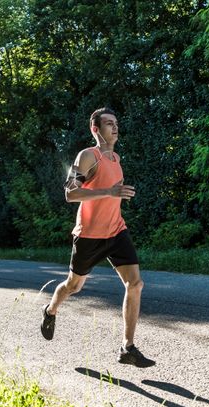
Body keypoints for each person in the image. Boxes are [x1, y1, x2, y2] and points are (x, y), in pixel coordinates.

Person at [40, 107, 155, 368]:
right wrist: (109, 192)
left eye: (116, 123)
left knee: (135, 284)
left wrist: (115, 196)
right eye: (108, 124)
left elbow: (113, 196)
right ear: (95, 129)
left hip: (116, 231)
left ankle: (127, 348)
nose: (115, 128)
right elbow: (70, 194)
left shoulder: (115, 159)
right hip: (89, 235)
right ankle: (50, 310)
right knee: (74, 286)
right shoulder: (88, 156)